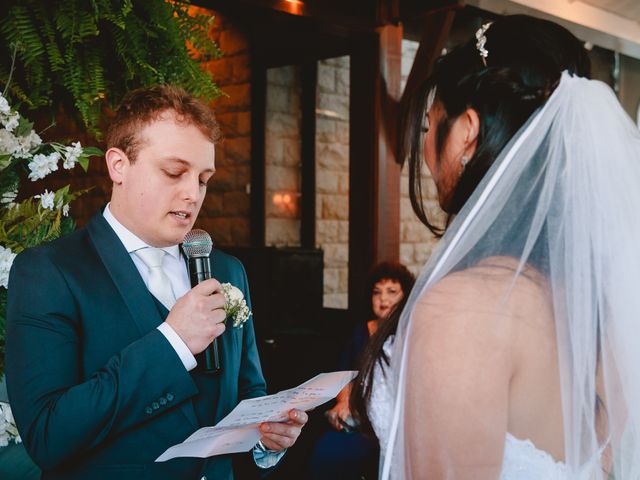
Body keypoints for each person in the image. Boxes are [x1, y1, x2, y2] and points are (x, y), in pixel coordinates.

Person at [354, 14, 640, 479]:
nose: (425, 152)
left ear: (467, 132)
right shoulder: (599, 301)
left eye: (429, 127)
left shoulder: (463, 308)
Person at [5, 85, 307, 480]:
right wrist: (173, 343)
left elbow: (248, 391)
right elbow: (48, 436)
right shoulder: (49, 272)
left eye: (203, 178)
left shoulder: (228, 270)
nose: (192, 193)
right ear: (118, 165)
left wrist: (266, 440)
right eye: (173, 172)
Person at [310, 262, 414, 479]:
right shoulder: (361, 331)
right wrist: (343, 403)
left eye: (392, 292)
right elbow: (345, 374)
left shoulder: (412, 331)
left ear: (405, 296)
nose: (383, 299)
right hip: (361, 414)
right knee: (328, 449)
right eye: (377, 293)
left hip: (400, 417)